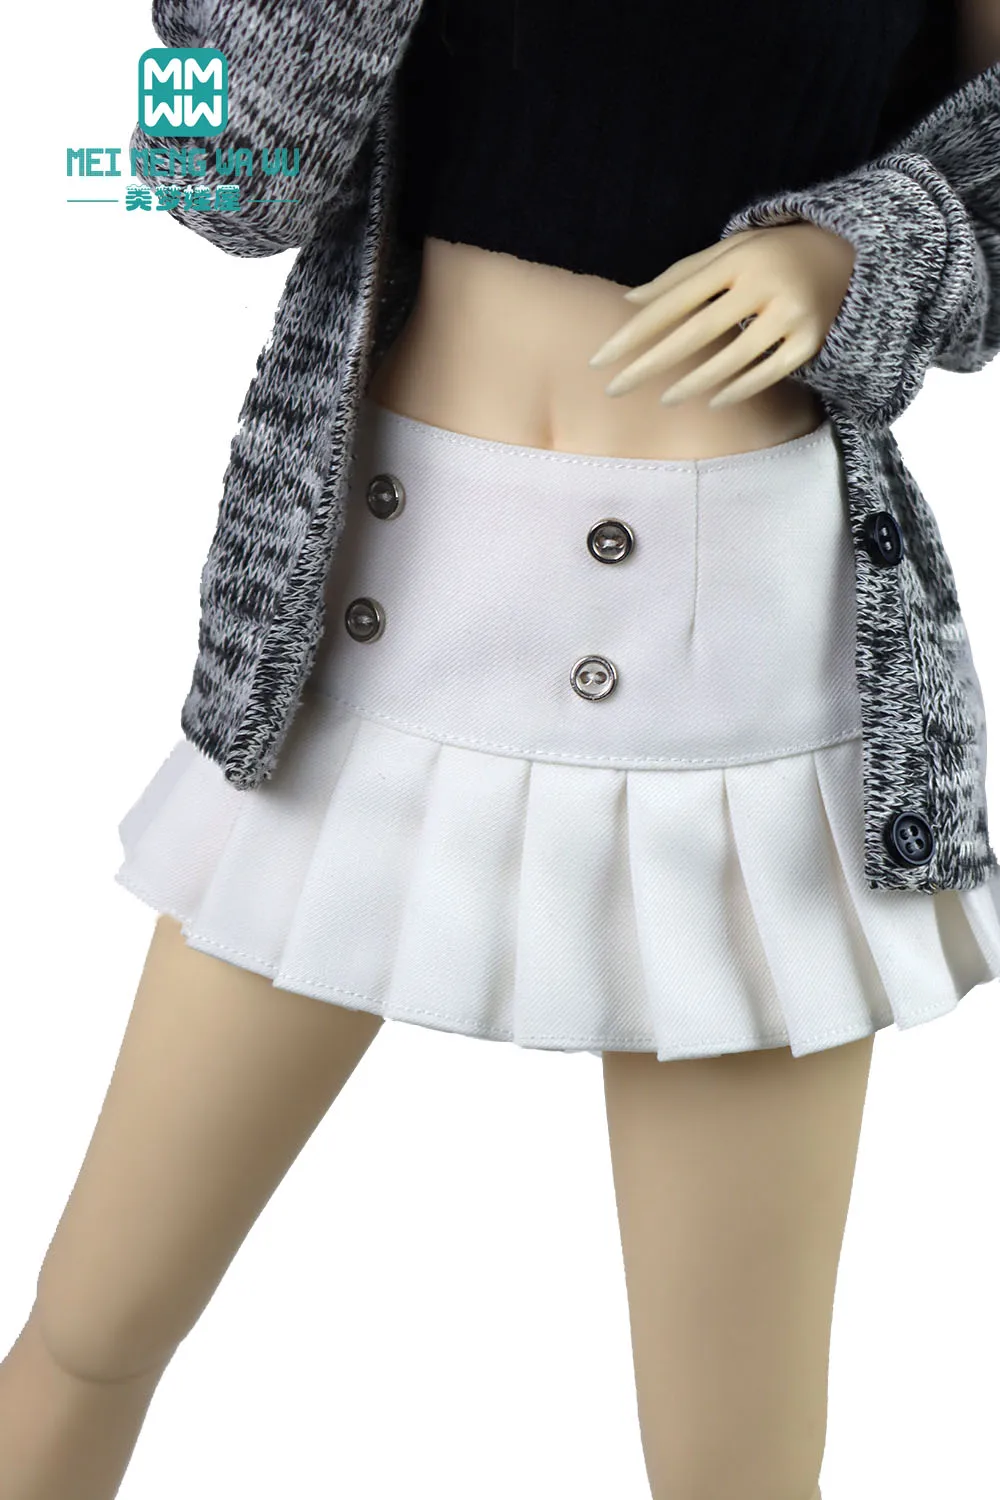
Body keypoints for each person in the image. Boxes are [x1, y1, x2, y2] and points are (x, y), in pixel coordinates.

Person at [2, 3, 999, 1498]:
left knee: (740, 1461)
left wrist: (862, 252)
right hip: (371, 630)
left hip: (738, 680)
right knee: (90, 1327)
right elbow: (199, 172)